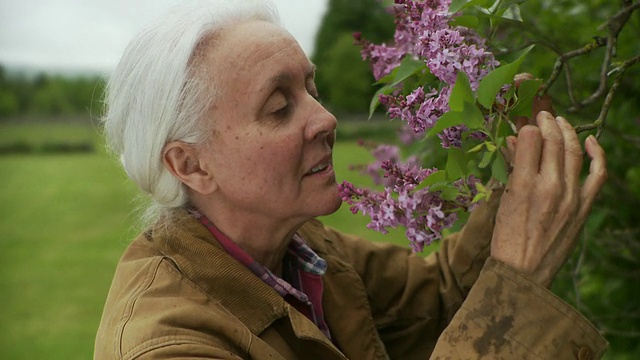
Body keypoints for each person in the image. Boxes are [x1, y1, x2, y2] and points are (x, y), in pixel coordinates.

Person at [94, 0, 608, 359]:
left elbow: (437, 298)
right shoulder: (167, 345)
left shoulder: (300, 251)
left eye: (311, 88)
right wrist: (516, 285)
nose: (325, 119)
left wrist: (518, 189)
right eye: (279, 107)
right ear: (190, 165)